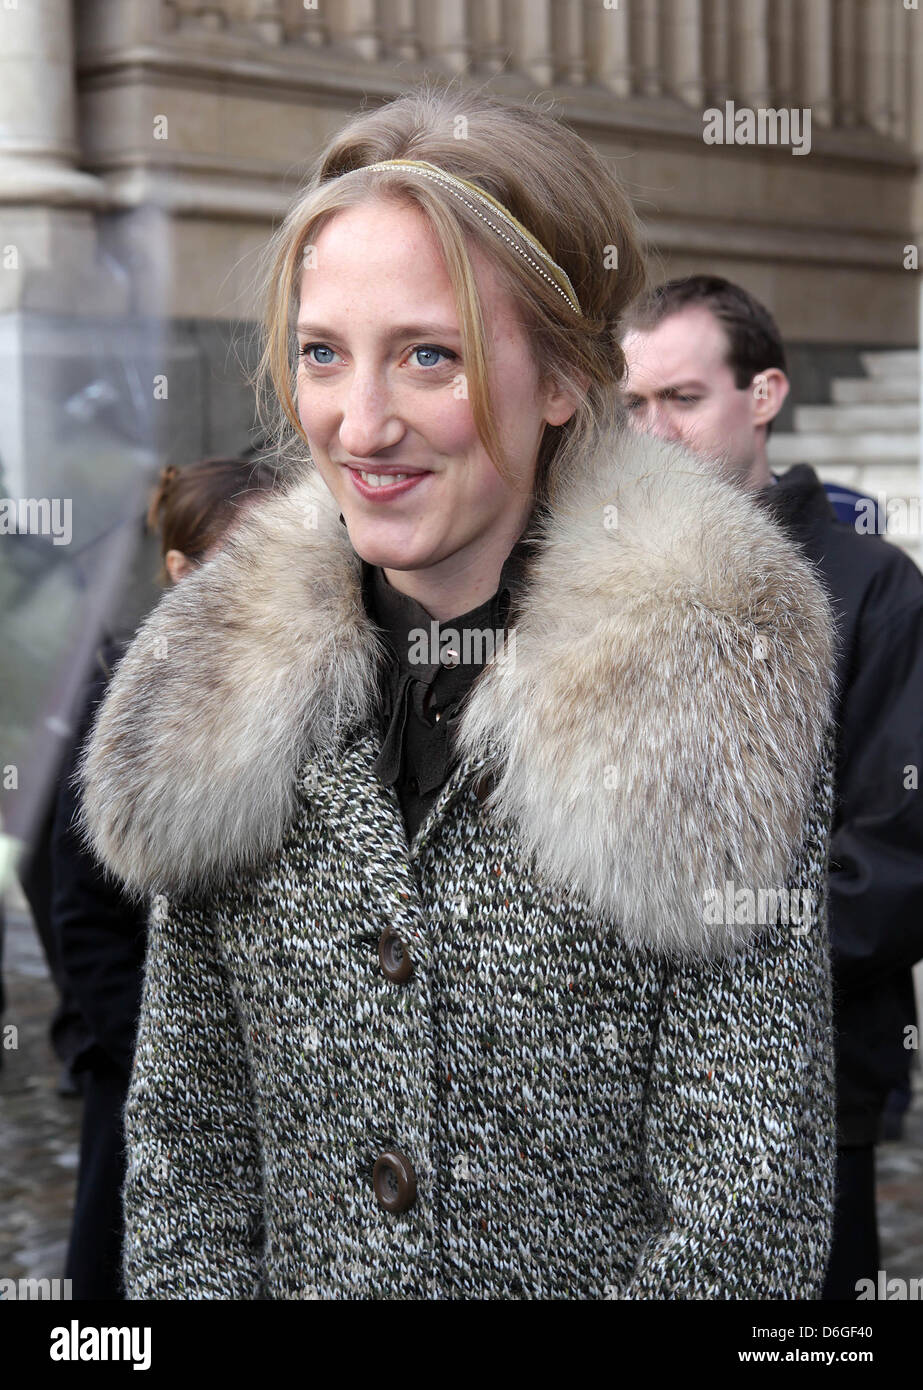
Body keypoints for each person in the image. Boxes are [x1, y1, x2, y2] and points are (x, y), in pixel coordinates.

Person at [78, 83, 839, 1300]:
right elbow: (184, 1159)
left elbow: (745, 1206)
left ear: (562, 378)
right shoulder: (227, 685)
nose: (358, 422)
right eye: (322, 353)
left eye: (428, 355)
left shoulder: (706, 672)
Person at [618, 274, 923, 1301]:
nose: (652, 431)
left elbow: (896, 851)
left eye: (682, 398)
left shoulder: (869, 585)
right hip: (601, 1091)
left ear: (763, 395)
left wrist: (709, 972)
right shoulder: (585, 579)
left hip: (803, 1076)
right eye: (632, 404)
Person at [52, 453, 278, 1299]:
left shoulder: (303, 680)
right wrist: (155, 1048)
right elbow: (79, 916)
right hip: (143, 1063)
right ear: (182, 571)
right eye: (242, 556)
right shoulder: (122, 702)